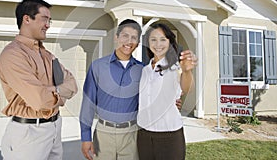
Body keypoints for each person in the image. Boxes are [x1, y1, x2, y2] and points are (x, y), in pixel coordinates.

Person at [79, 19, 184, 160]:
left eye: (134, 37)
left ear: (138, 43)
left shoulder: (144, 70)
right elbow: (88, 102)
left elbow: (151, 95)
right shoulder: (97, 66)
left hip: (132, 134)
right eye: (125, 36)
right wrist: (85, 136)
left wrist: (172, 102)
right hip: (104, 133)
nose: (129, 41)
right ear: (116, 37)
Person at [0, 0, 78, 160]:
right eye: (44, 19)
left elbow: (73, 85)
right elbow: (40, 100)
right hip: (28, 134)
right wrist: (59, 94)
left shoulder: (48, 56)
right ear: (27, 19)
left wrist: (52, 92)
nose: (48, 25)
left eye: (49, 20)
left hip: (54, 127)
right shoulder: (13, 55)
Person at [137, 23, 197, 160]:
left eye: (163, 39)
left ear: (170, 42)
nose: (158, 44)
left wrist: (187, 71)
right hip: (143, 135)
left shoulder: (176, 67)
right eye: (153, 39)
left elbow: (188, 88)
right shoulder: (144, 70)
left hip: (169, 136)